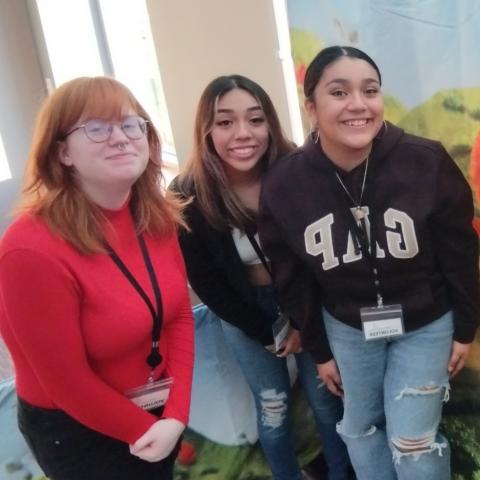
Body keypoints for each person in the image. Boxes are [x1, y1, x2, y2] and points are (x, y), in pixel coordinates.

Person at [258, 46, 480, 480]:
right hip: (347, 327)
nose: (358, 104)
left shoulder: (425, 161)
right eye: (339, 92)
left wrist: (465, 326)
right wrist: (320, 349)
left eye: (370, 90)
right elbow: (293, 277)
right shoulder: (286, 183)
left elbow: (460, 252)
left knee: (412, 441)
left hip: (426, 323)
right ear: (311, 106)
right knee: (360, 429)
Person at [0, 77, 194, 480]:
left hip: (155, 410)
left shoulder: (156, 216)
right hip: (77, 429)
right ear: (62, 152)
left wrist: (174, 415)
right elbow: (66, 382)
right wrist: (148, 429)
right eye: (97, 128)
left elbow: (177, 316)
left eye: (130, 124)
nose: (120, 138)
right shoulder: (29, 249)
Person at [172, 74, 351, 480]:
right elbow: (207, 283)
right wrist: (265, 331)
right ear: (206, 129)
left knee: (326, 401)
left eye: (255, 119)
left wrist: (304, 323)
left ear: (270, 123)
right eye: (225, 122)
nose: (243, 134)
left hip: (308, 303)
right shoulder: (187, 193)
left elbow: (322, 258)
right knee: (273, 406)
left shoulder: (297, 171)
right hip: (244, 312)